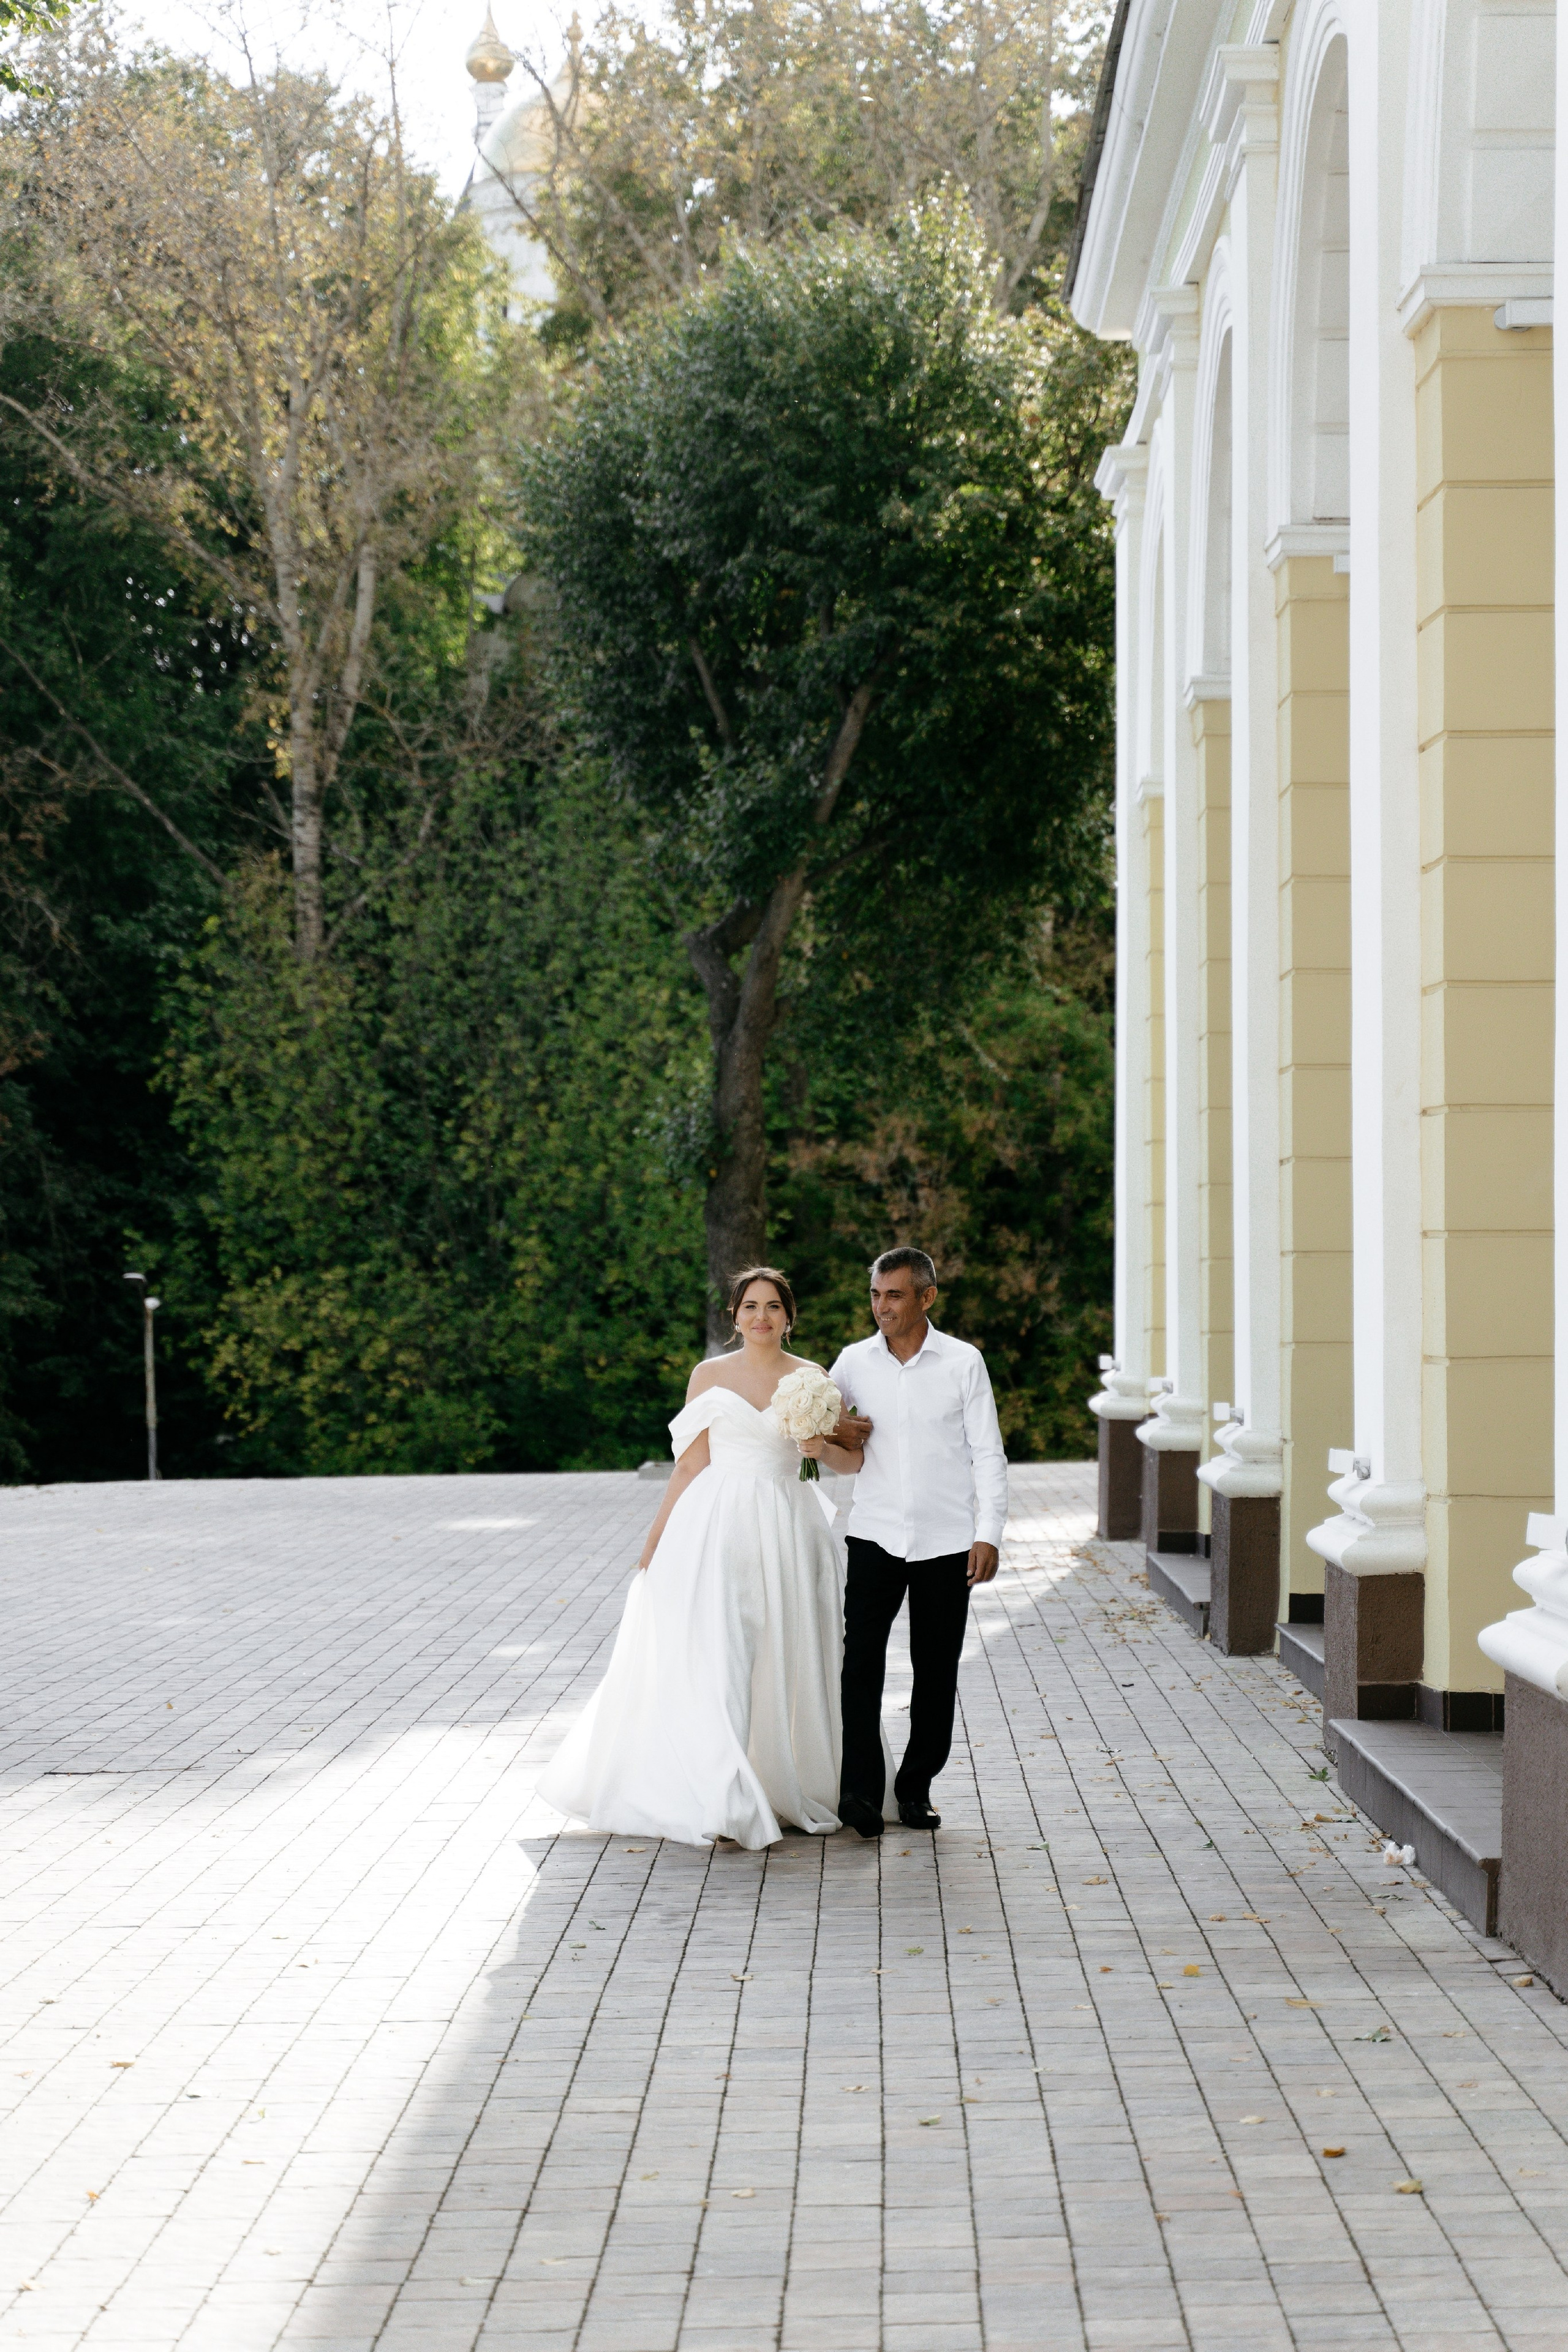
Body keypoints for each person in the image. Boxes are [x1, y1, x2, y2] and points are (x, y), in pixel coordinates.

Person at [537, 1265, 879, 1850]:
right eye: (750, 1306)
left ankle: (788, 1782)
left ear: (788, 1317)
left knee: (789, 1653)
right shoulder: (709, 1375)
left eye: (773, 1306)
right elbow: (691, 1465)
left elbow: (850, 1464)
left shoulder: (814, 1378)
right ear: (735, 1316)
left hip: (792, 1526)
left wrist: (817, 1446)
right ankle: (725, 1798)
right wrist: (655, 1540)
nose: (762, 1317)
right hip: (721, 1526)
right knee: (725, 1654)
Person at [802, 1247, 1008, 1837]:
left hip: (947, 1542)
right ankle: (860, 1794)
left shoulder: (964, 1363)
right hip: (873, 1536)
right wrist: (836, 1430)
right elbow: (822, 1426)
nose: (881, 1307)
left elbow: (987, 1454)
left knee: (935, 1669)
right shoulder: (851, 1362)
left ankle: (915, 1788)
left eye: (894, 1295)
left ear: (926, 1297)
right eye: (875, 1295)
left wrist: (987, 1533)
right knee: (860, 1666)